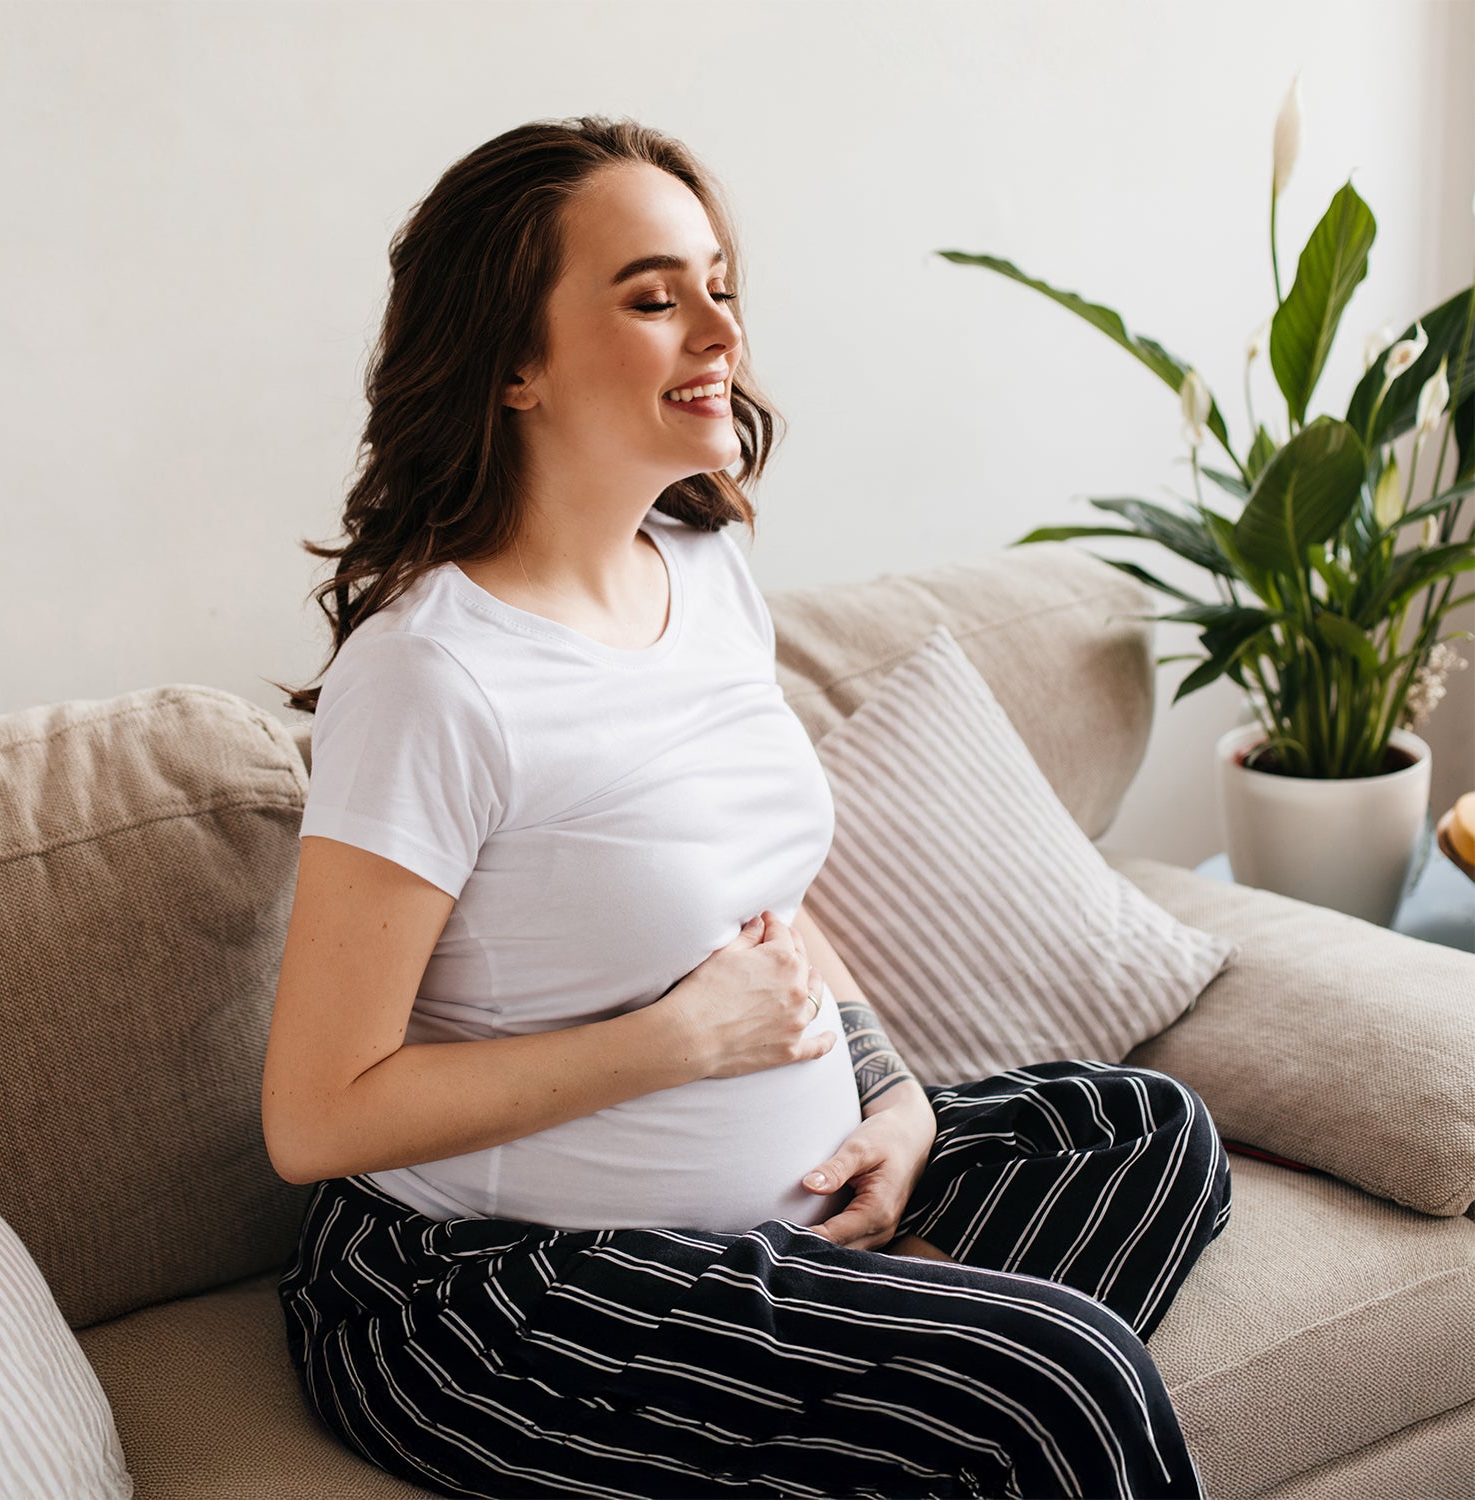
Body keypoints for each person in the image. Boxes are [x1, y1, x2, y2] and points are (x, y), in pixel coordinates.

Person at [263, 115, 1231, 1500]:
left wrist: (887, 1095)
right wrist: (671, 1044)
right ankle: (945, 1390)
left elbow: (763, 912)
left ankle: (881, 1382)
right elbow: (315, 1114)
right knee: (1063, 1384)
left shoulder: (700, 567)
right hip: (496, 1294)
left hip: (772, 1226)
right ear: (514, 364)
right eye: (655, 298)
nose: (720, 329)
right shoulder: (431, 675)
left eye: (720, 284)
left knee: (1149, 1136)